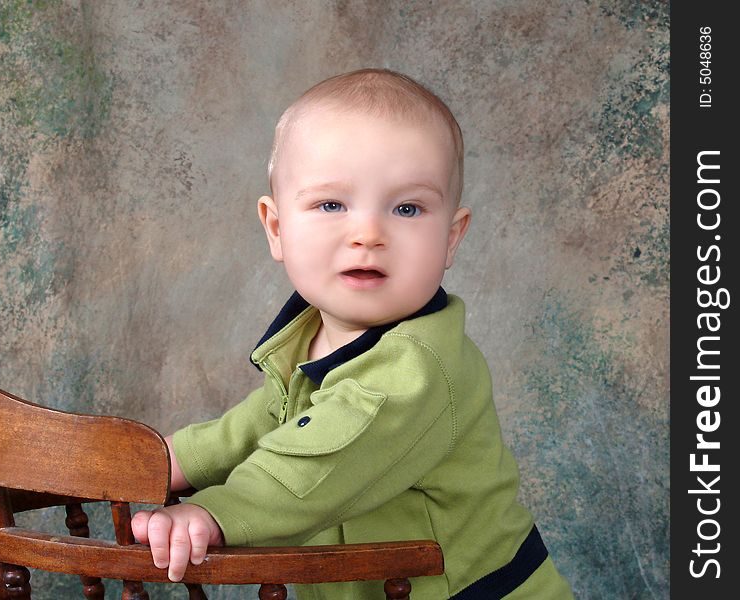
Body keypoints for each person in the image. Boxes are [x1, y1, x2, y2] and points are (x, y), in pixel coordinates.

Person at [132, 68, 574, 599]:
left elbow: (312, 464)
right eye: (331, 204)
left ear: (451, 239)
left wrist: (214, 513)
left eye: (407, 208)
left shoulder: (419, 366)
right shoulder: (311, 338)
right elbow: (258, 423)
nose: (368, 234)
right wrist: (168, 460)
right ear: (277, 228)